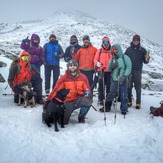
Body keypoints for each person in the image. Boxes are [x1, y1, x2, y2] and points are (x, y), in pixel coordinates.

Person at [46, 59, 92, 124]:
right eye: (70, 65)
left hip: (78, 99)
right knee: (63, 122)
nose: (72, 67)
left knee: (88, 102)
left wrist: (88, 95)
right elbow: (56, 90)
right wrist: (48, 100)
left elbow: (87, 89)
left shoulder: (83, 77)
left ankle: (81, 117)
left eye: (74, 65)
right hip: (67, 102)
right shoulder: (63, 78)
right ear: (68, 67)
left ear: (77, 67)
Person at [100, 44, 132, 115]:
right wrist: (112, 66)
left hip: (123, 79)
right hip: (114, 79)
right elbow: (109, 68)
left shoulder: (125, 57)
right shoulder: (112, 59)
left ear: (119, 49)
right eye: (113, 49)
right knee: (111, 93)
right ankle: (107, 106)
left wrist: (124, 76)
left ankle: (124, 108)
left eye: (116, 49)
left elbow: (129, 67)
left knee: (123, 94)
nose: (115, 51)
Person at [125, 35, 150, 109]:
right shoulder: (128, 50)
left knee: (138, 87)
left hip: (138, 71)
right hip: (129, 70)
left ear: (139, 41)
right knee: (129, 86)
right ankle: (129, 101)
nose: (136, 41)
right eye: (134, 40)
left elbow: (145, 61)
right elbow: (125, 59)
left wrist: (147, 59)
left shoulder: (143, 50)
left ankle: (138, 103)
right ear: (132, 40)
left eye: (137, 40)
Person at [94, 36, 112, 105]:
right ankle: (101, 99)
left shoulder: (111, 51)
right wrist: (97, 63)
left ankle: (108, 98)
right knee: (101, 85)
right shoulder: (100, 51)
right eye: (104, 42)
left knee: (109, 85)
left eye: (107, 42)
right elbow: (95, 59)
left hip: (109, 71)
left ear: (109, 43)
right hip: (101, 71)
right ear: (102, 43)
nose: (106, 44)